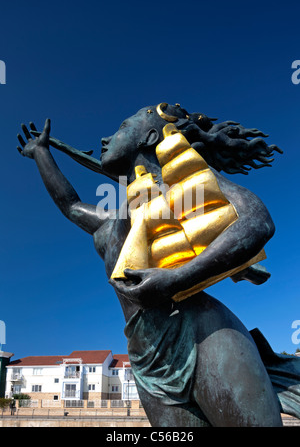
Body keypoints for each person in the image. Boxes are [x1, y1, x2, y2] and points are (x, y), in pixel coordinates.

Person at [17, 103, 286, 426]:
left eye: (119, 128)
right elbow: (71, 206)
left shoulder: (186, 185)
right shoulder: (112, 225)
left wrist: (177, 279)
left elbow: (257, 221)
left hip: (204, 337)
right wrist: (41, 153)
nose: (105, 138)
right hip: (147, 359)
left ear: (149, 135)